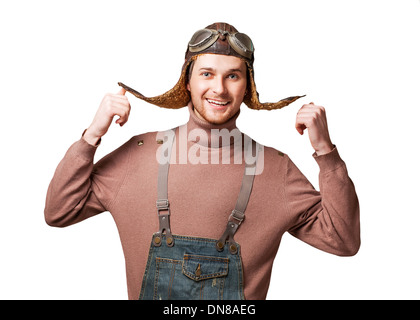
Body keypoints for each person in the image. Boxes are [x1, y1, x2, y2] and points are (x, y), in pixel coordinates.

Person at [45, 22, 360, 300]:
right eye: (206, 73)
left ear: (246, 87)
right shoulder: (137, 155)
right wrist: (91, 136)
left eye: (232, 76)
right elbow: (59, 211)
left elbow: (344, 240)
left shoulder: (277, 169)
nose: (219, 89)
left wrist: (326, 153)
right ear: (187, 82)